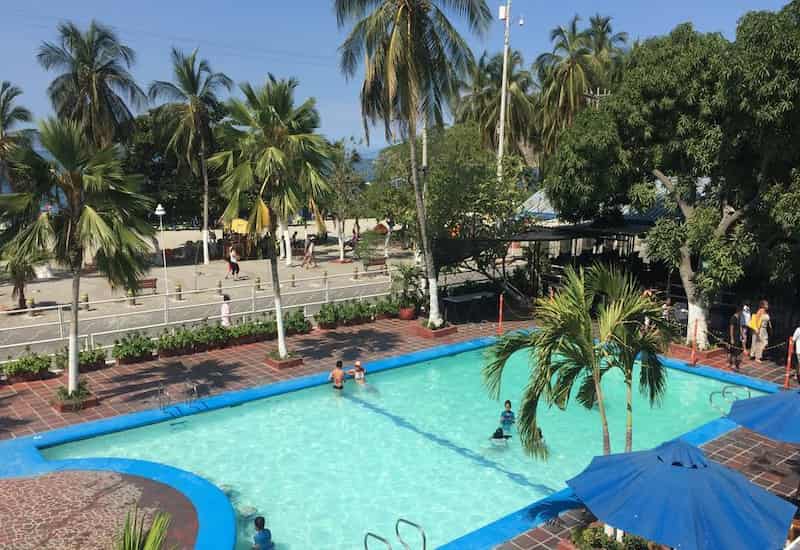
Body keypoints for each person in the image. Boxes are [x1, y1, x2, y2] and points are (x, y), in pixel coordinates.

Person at [728, 306, 743, 371]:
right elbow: (731, 328)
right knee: (733, 351)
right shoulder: (733, 318)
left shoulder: (739, 317)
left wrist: (742, 334)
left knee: (736, 351)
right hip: (733, 336)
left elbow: (740, 327)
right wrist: (732, 338)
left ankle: (733, 363)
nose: (742, 313)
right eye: (742, 311)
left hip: (737, 336)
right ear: (739, 311)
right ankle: (732, 364)